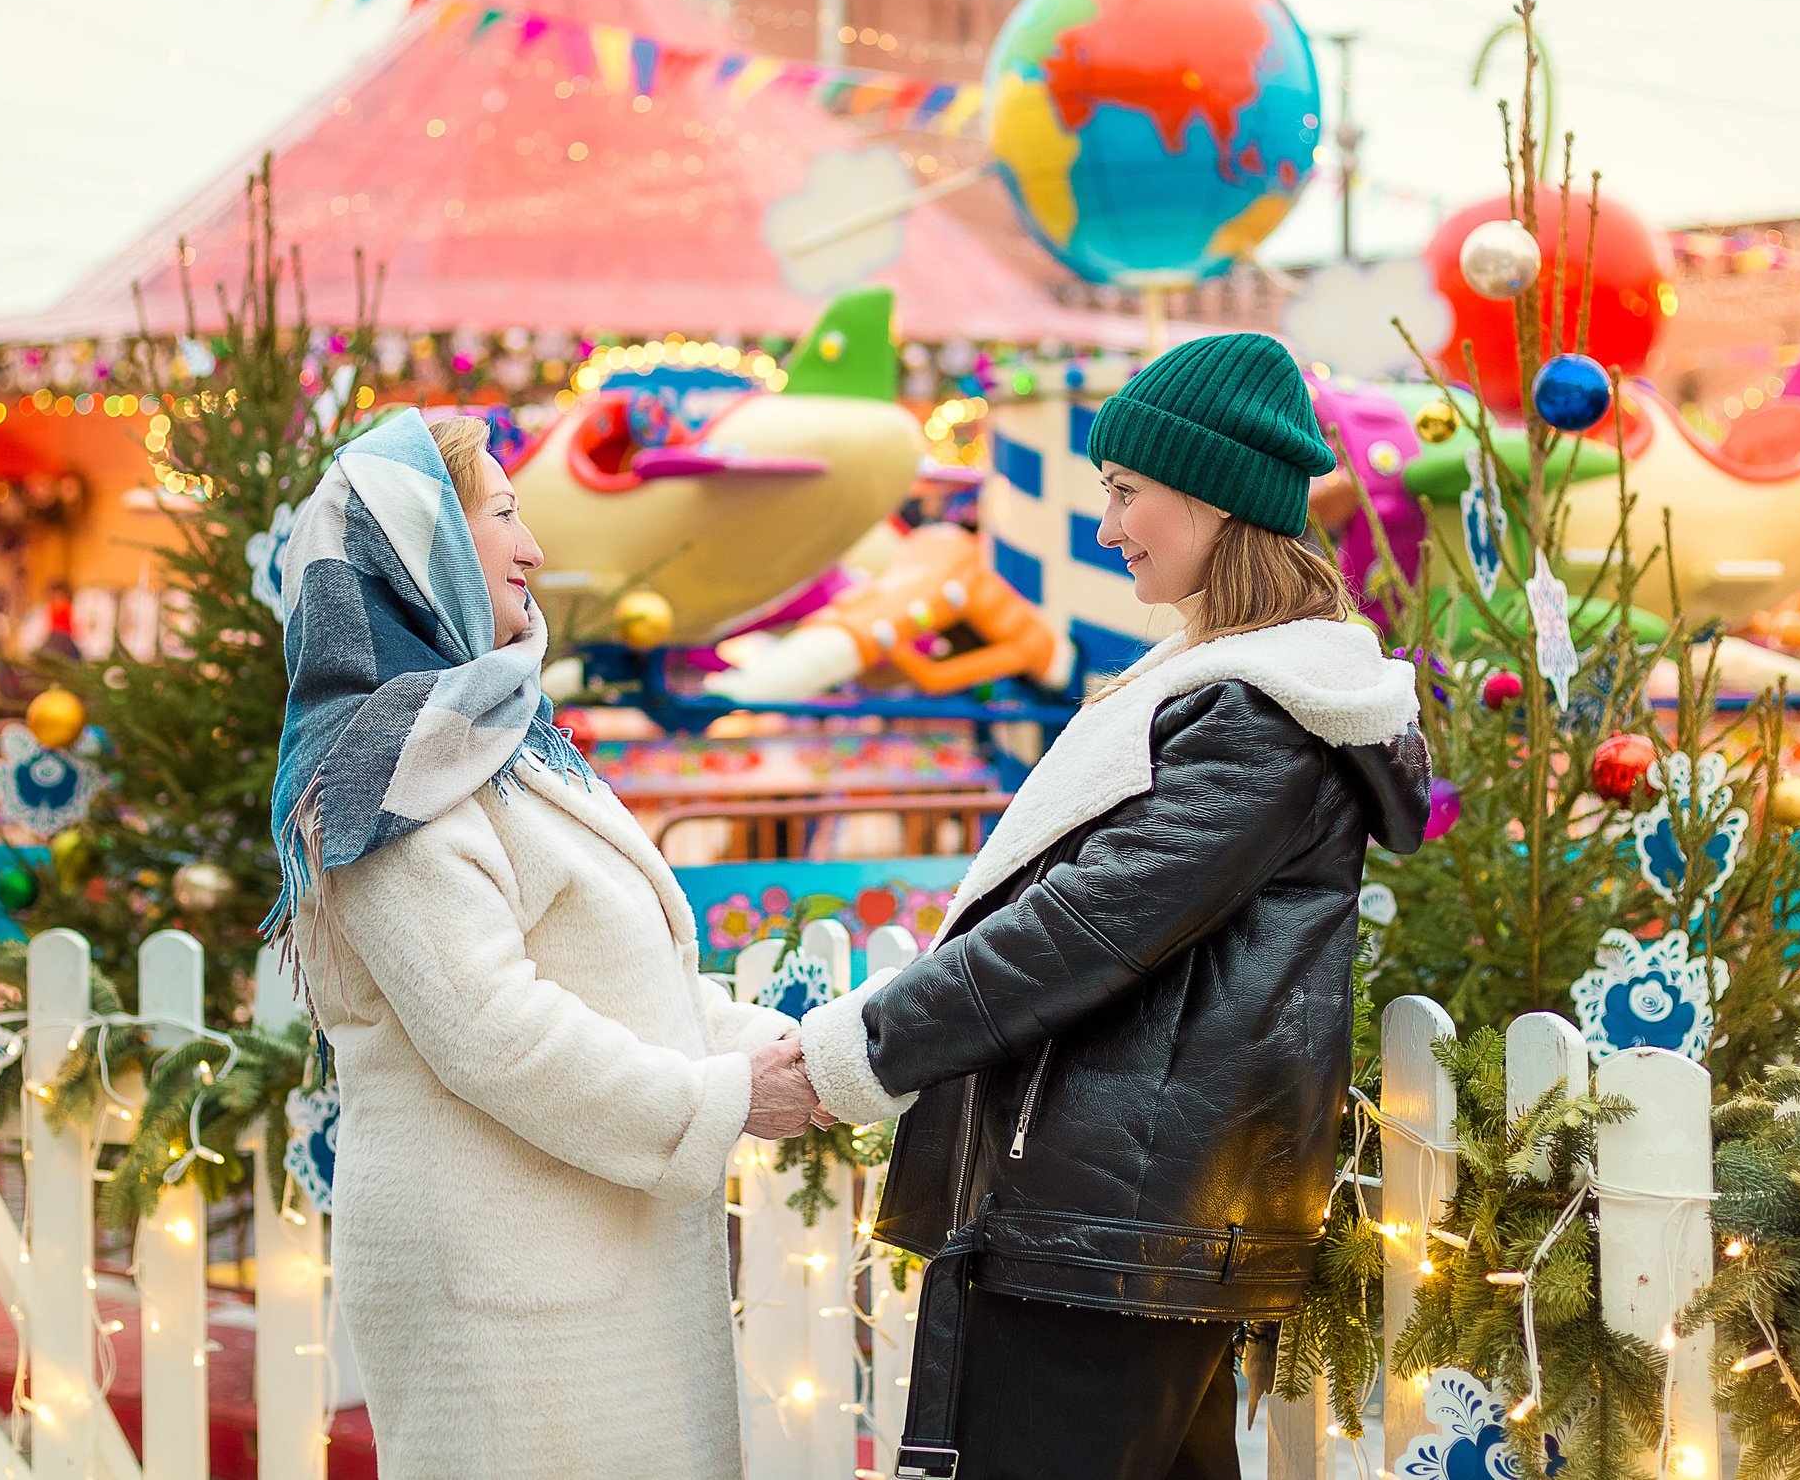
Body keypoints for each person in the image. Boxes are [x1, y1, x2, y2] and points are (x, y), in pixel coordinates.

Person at [799, 333, 1432, 1480]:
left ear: (1212, 498)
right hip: (1120, 1215)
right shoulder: (1237, 693)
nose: (1107, 524)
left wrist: (859, 1051)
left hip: (1111, 1223)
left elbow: (1078, 932)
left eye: (1126, 491)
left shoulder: (1257, 712)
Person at [266, 407, 823, 1480]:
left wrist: (798, 1051)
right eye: (505, 515)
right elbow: (489, 1027)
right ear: (418, 549)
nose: (533, 548)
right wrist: (725, 1098)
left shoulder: (492, 735)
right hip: (510, 1295)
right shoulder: (386, 764)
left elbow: (624, 979)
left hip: (598, 1265)